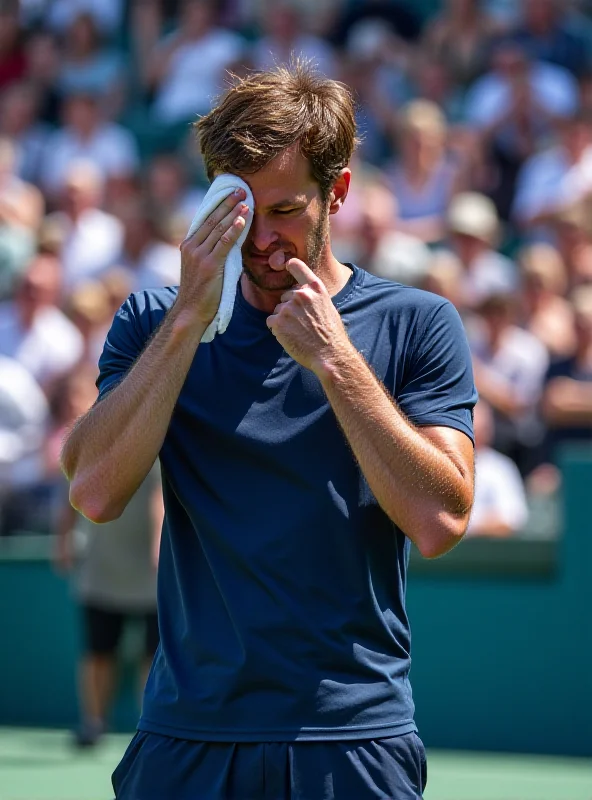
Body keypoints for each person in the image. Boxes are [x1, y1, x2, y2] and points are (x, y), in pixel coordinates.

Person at [61, 63, 477, 799]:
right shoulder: (159, 321)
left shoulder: (418, 322)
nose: (260, 237)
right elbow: (93, 490)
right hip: (185, 737)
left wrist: (335, 359)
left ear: (338, 192)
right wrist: (189, 317)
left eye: (285, 209)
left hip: (352, 740)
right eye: (239, 206)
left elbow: (441, 519)